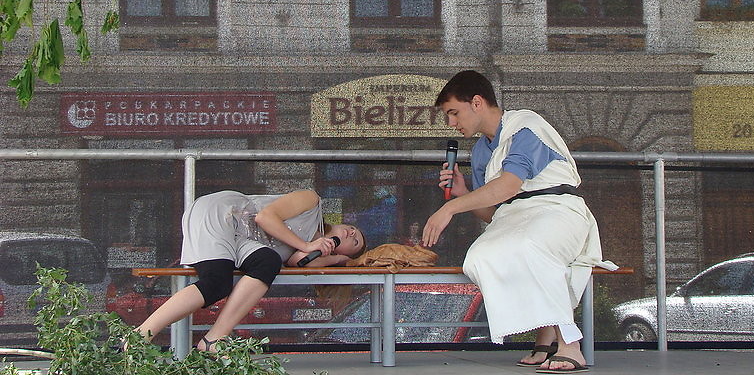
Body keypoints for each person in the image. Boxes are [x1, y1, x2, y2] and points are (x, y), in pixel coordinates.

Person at [421, 71, 616, 373]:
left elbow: (509, 185)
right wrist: (463, 193)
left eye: (453, 112)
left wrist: (450, 208)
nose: (450, 123)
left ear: (477, 102)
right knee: (480, 257)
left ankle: (569, 344)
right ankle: (545, 334)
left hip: (559, 211)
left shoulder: (526, 126)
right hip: (514, 220)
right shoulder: (481, 151)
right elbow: (494, 214)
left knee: (528, 247)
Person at [132, 189, 366, 352]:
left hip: (240, 239)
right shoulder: (312, 201)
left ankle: (213, 339)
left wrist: (336, 257)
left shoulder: (306, 249)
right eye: (354, 229)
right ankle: (139, 337)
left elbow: (299, 261)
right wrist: (308, 245)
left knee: (268, 261)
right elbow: (265, 217)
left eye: (355, 242)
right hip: (225, 213)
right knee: (216, 283)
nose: (352, 233)